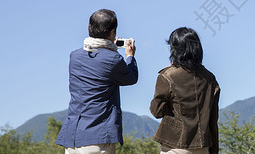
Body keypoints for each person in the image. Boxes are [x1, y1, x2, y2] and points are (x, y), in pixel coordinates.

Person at [56, 9, 138, 154]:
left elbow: (97, 63)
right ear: (112, 32)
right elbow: (131, 78)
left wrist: (110, 48)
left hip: (72, 138)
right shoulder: (113, 59)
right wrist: (130, 56)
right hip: (98, 137)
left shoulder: (74, 56)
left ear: (89, 28)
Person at [150, 27, 220, 154]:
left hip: (175, 145)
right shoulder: (210, 78)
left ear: (174, 49)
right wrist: (214, 149)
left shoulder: (167, 76)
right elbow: (213, 119)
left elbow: (156, 111)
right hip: (203, 146)